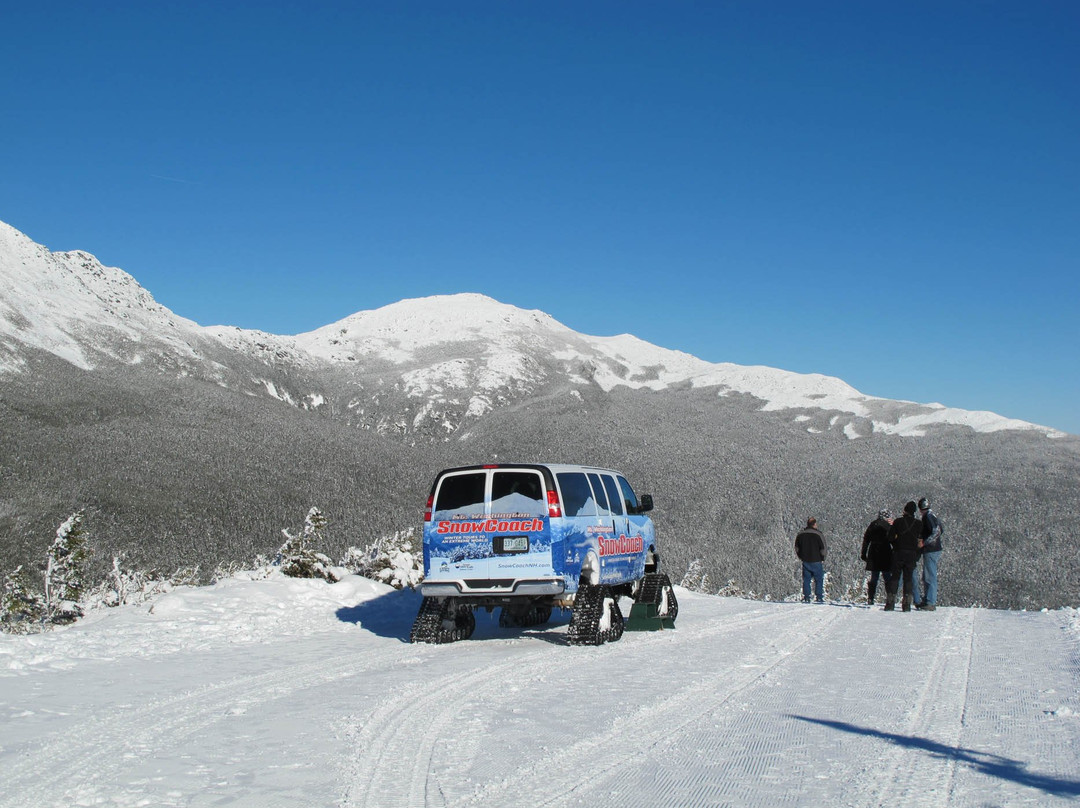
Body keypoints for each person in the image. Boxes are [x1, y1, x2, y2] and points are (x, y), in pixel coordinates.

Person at [884, 501, 922, 611]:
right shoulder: (918, 524)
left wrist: (896, 545)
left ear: (905, 511)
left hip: (898, 552)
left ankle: (890, 603)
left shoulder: (898, 522)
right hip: (911, 554)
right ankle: (906, 604)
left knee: (895, 577)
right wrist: (917, 553)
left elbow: (890, 537)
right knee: (908, 578)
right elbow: (920, 541)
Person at [860, 509, 893, 605]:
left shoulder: (873, 524)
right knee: (887, 576)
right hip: (885, 551)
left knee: (874, 576)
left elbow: (866, 539)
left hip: (873, 552)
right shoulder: (888, 526)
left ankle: (871, 598)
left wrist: (864, 553)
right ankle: (890, 597)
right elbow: (893, 539)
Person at [916, 497, 943, 610]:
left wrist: (924, 542)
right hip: (934, 549)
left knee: (929, 576)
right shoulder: (932, 516)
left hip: (931, 550)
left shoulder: (928, 517)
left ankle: (930, 601)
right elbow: (941, 528)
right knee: (927, 575)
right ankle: (928, 599)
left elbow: (936, 531)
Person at [794, 517, 827, 603]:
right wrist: (822, 557)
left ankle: (807, 597)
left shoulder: (800, 534)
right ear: (814, 524)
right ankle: (819, 597)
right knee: (819, 579)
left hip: (805, 560)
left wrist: (801, 556)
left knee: (806, 579)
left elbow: (797, 548)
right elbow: (823, 548)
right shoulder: (818, 534)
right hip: (816, 560)